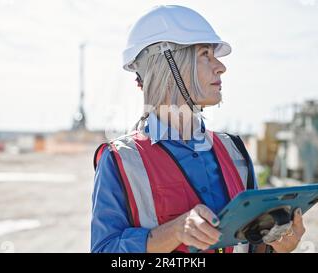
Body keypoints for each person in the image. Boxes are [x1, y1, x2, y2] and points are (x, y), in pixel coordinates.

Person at [91, 5, 305, 253]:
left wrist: (276, 247)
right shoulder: (120, 159)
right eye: (205, 54)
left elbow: (250, 245)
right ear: (168, 64)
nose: (221, 66)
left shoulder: (234, 150)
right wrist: (174, 232)